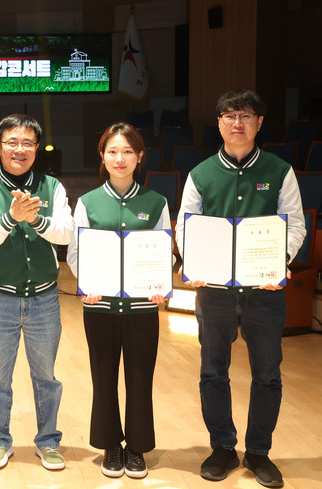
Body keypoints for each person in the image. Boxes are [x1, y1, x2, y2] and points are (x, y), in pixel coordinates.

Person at [175, 89, 305, 488]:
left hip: (264, 291)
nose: (237, 123)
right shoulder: (200, 174)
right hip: (214, 292)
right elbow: (185, 227)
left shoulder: (279, 171)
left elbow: (295, 224)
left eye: (246, 115)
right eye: (229, 115)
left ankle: (259, 452)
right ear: (218, 122)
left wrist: (278, 262)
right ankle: (222, 448)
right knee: (213, 371)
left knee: (267, 374)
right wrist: (193, 263)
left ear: (259, 123)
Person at [0, 113, 74, 470]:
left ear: (37, 148)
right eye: (12, 142)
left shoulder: (52, 187)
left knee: (46, 377)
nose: (20, 149)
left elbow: (66, 232)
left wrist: (35, 219)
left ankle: (48, 441)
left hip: (44, 296)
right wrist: (11, 218)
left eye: (28, 142)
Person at [66, 122, 170, 479]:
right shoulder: (88, 202)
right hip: (100, 306)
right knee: (103, 378)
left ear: (140, 156)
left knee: (140, 378)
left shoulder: (156, 202)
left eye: (127, 151)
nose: (120, 158)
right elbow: (76, 252)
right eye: (112, 151)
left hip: (142, 307)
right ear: (102, 156)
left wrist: (160, 285)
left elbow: (164, 251)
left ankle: (137, 447)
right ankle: (111, 444)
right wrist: (87, 283)